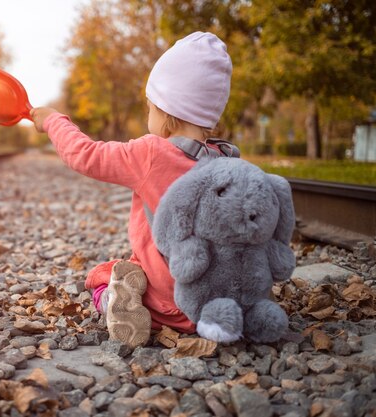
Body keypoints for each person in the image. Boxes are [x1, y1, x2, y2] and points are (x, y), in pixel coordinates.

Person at [30, 32, 233, 348]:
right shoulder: (226, 158)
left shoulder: (150, 153)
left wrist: (54, 121)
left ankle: (114, 299)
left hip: (170, 302)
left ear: (165, 112)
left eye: (149, 106)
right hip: (218, 303)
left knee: (104, 274)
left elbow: (84, 154)